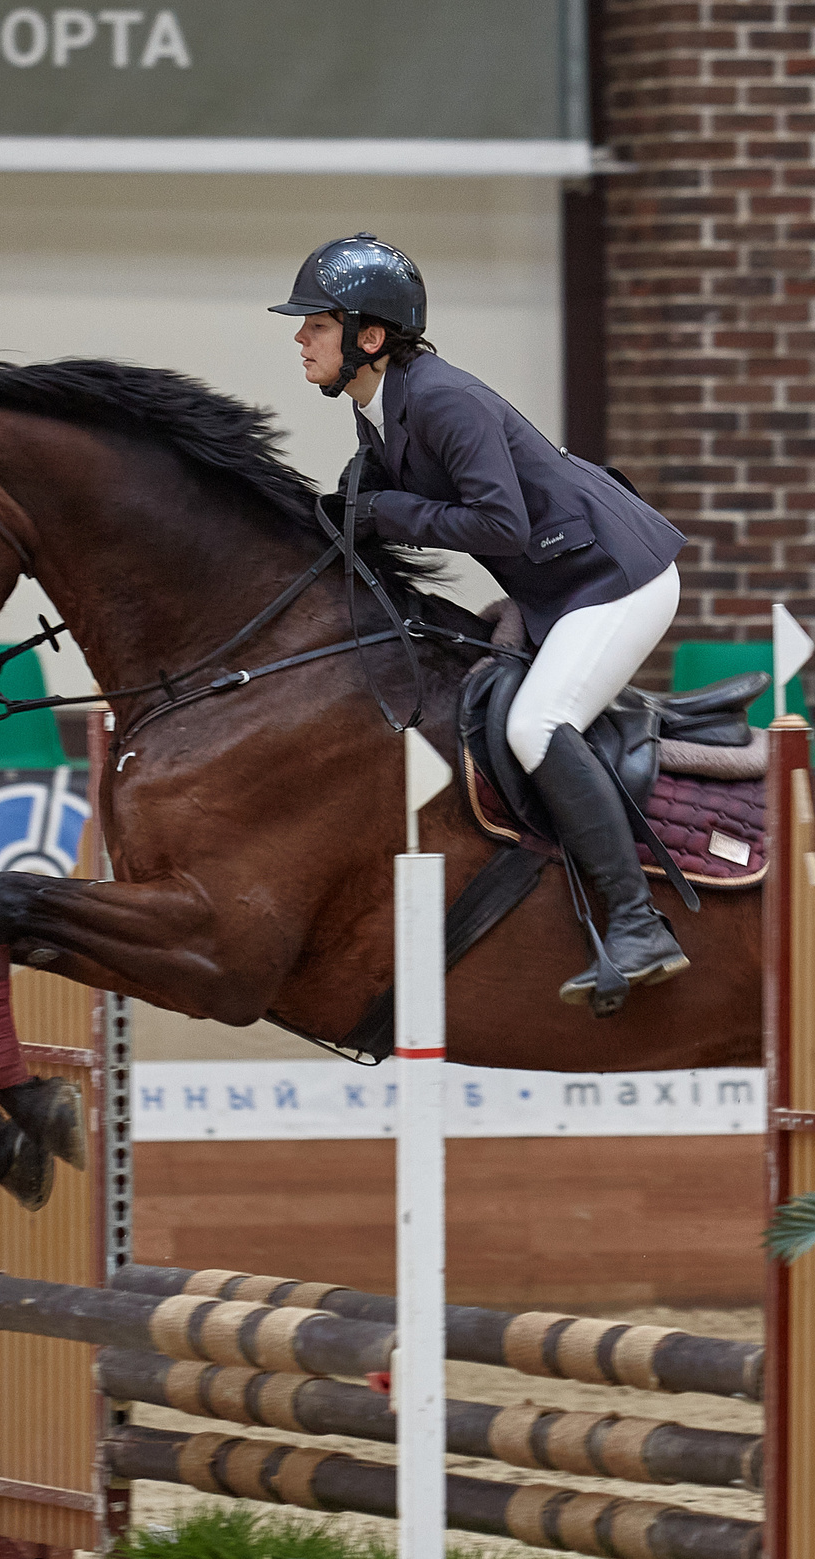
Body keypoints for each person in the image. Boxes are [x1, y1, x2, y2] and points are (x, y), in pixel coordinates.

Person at [270, 233, 693, 1011]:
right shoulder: (383, 405)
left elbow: (501, 528)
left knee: (537, 724)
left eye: (316, 324)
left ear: (369, 337)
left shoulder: (441, 399)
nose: (299, 336)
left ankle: (639, 924)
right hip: (561, 583)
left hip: (616, 580)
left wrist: (387, 512)